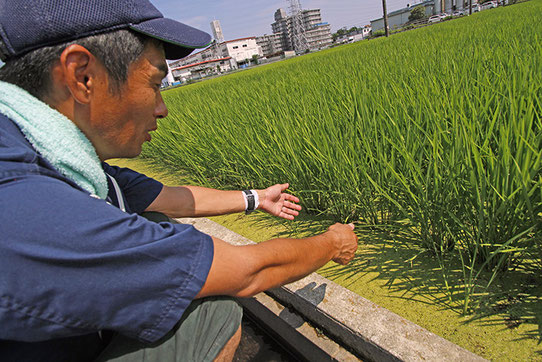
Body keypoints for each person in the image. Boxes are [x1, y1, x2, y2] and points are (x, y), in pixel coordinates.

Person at [0, 1, 358, 361]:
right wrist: (332, 242)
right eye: (155, 84)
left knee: (150, 218)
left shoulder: (57, 157)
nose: (162, 108)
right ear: (82, 76)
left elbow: (170, 198)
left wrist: (256, 198)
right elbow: (246, 273)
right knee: (210, 311)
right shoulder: (22, 201)